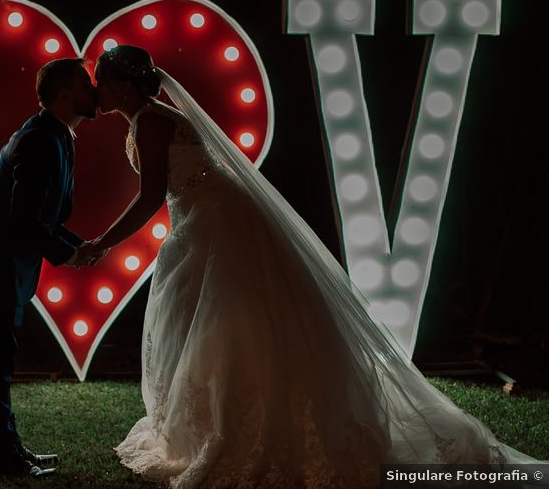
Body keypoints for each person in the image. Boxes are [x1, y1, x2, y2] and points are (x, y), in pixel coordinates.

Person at [80, 45, 542, 488]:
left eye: (101, 81)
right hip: (205, 220)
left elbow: (150, 198)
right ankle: (219, 421)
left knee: (229, 321)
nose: (96, 90)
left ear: (122, 87)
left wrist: (103, 243)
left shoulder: (152, 123)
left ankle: (248, 428)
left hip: (217, 225)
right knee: (226, 323)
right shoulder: (151, 119)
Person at [0, 58, 105, 478]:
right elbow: (24, 221)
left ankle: (7, 448)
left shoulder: (55, 135)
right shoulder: (39, 140)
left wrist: (79, 246)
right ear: (66, 94)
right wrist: (71, 254)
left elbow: (42, 218)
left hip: (0, 262)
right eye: (87, 87)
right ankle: (1, 456)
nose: (95, 94)